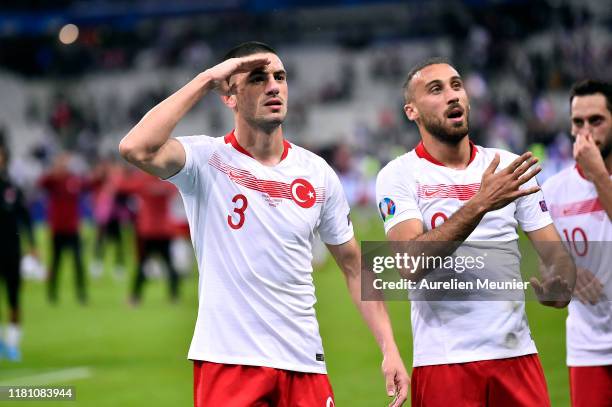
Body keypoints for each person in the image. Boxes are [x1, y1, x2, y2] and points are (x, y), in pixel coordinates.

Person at [119, 41, 409, 406]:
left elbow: (354, 266)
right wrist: (207, 79)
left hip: (305, 363)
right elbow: (135, 148)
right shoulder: (205, 160)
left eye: (280, 77)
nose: (274, 86)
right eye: (258, 78)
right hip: (230, 363)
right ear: (230, 95)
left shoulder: (317, 173)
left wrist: (389, 348)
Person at [375, 58, 576, 406]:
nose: (452, 96)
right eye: (435, 90)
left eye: (456, 85)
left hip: (517, 357)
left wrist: (560, 285)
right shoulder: (399, 175)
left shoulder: (510, 167)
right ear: (412, 111)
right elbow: (408, 263)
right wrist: (479, 203)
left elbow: (557, 257)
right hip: (444, 363)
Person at [540, 79, 612, 407]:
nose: (586, 131)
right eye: (577, 122)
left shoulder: (599, 178)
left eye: (596, 121)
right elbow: (556, 273)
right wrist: (556, 291)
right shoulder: (554, 192)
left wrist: (599, 177)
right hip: (588, 348)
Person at [118, 169, 180, 304]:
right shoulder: (167, 180)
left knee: (141, 265)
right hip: (164, 230)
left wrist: (121, 173)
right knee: (169, 265)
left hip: (148, 230)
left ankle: (135, 297)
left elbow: (122, 186)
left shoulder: (143, 180)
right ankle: (174, 297)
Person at [0, 141, 36, 361]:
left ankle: (12, 343)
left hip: (11, 251)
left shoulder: (12, 187)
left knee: (13, 299)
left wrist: (32, 246)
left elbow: (25, 218)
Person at [38, 152, 89, 304]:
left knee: (78, 262)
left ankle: (81, 294)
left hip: (72, 228)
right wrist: (54, 171)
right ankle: (52, 293)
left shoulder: (73, 179)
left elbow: (89, 185)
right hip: (57, 228)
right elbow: (41, 183)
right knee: (55, 262)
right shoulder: (53, 180)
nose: (64, 166)